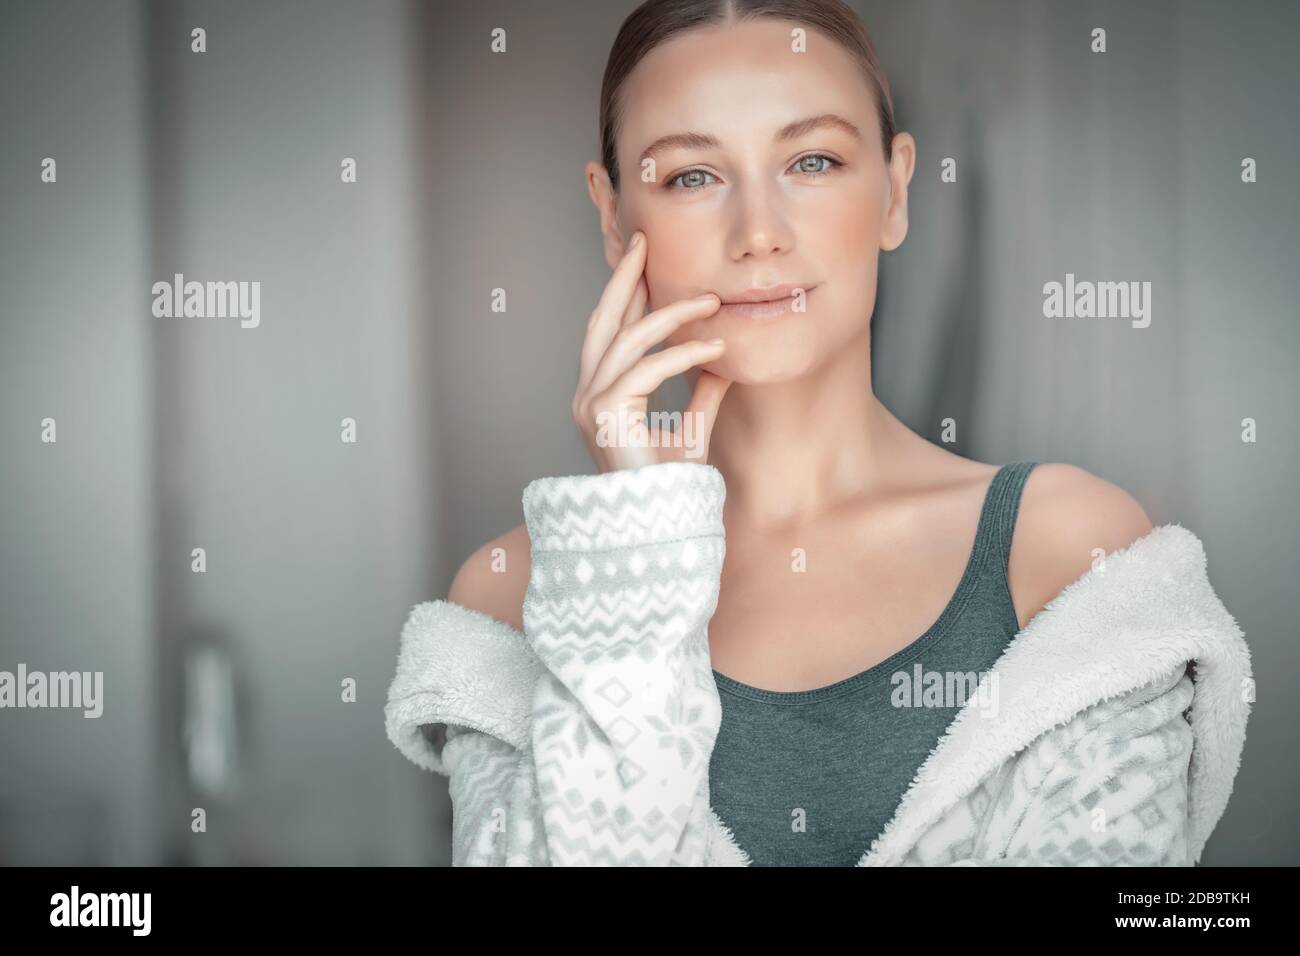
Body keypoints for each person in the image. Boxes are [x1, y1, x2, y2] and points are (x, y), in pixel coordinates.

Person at [385, 0, 1251, 866]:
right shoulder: (508, 600)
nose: (758, 232)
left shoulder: (1069, 548)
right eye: (692, 176)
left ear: (895, 191)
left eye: (813, 160)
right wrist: (630, 549)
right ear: (614, 218)